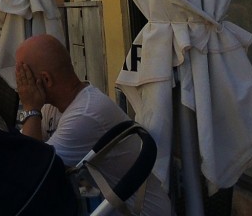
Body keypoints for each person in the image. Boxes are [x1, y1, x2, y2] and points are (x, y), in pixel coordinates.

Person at [15, 34, 173, 216]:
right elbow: (21, 153)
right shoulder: (55, 107)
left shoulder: (85, 115)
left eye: (23, 78)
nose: (20, 87)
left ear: (45, 80)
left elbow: (30, 171)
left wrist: (30, 109)